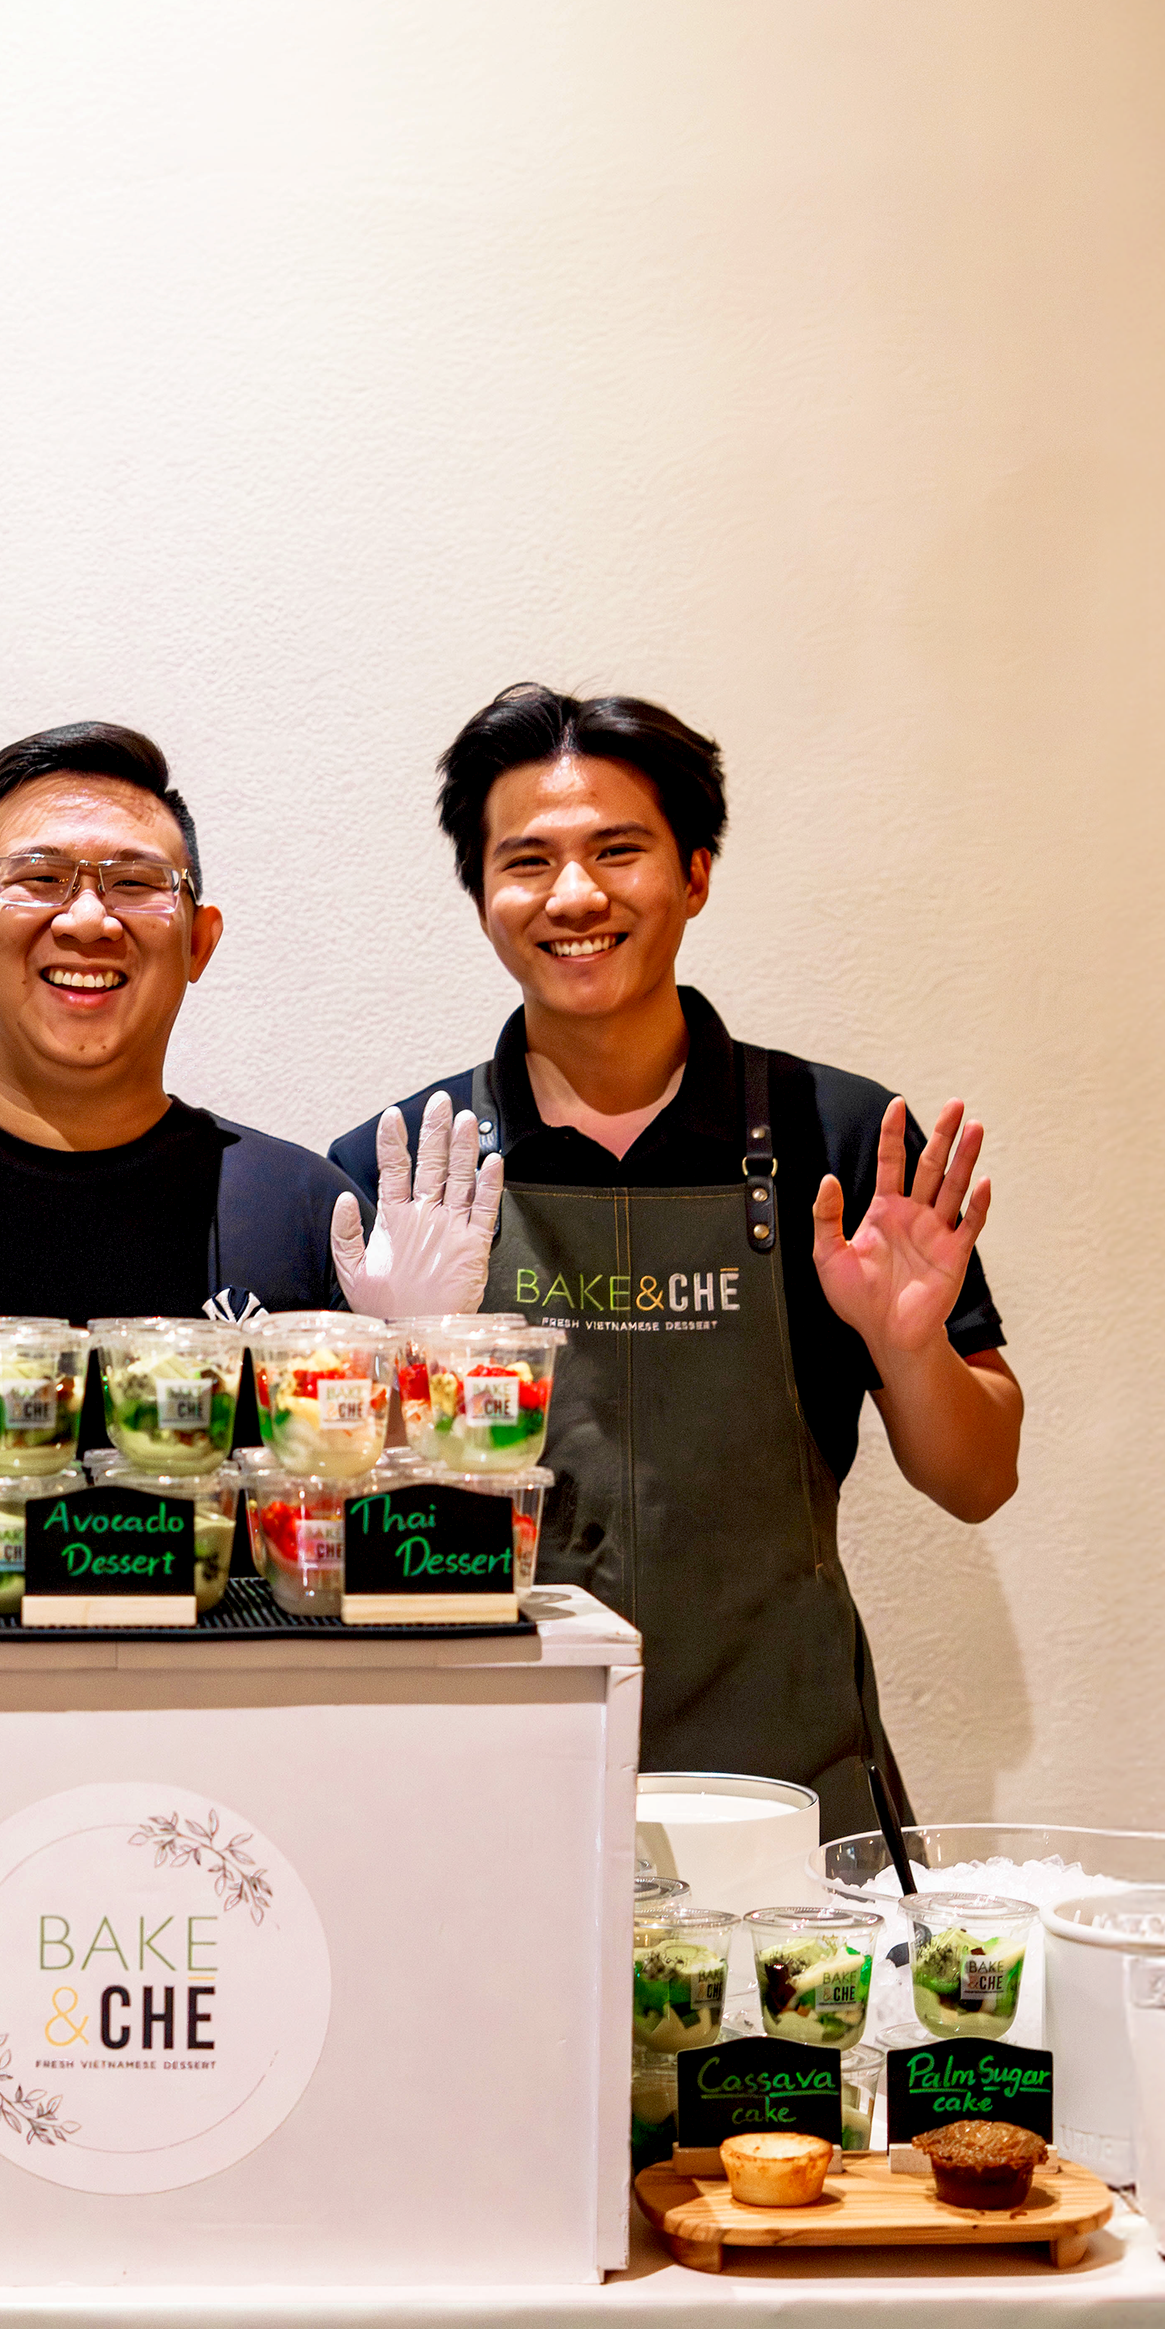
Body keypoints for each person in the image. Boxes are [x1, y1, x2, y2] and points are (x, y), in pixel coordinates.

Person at [330, 685, 1020, 1830]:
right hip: (487, 1784)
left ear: (694, 873)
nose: (574, 896)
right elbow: (341, 1522)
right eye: (527, 861)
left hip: (791, 1791)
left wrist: (910, 1350)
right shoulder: (410, 1174)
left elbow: (977, 1480)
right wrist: (413, 1353)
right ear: (481, 897)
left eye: (618, 851)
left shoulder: (839, 1144)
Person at [0, 722, 480, 1424]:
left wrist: (422, 1352)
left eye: (136, 882)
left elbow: (378, 1525)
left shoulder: (313, 1217)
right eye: (39, 878)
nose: (85, 918)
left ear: (200, 943)